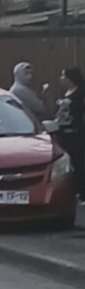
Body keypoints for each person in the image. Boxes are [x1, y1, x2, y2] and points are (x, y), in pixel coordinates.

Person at [55, 67, 85, 204]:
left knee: (79, 163)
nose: (61, 79)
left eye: (64, 76)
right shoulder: (66, 93)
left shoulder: (80, 94)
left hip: (76, 134)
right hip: (63, 134)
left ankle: (82, 193)